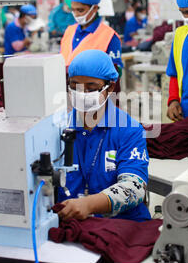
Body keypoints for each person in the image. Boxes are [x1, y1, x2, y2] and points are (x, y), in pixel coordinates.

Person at [57, 49, 150, 222]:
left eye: (91, 87)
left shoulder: (129, 130)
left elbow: (134, 188)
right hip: (70, 224)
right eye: (75, 85)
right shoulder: (58, 127)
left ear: (110, 87)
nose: (82, 93)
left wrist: (89, 204)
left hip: (121, 225)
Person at [60, 0, 123, 72]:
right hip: (64, 83)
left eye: (80, 10)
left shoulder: (109, 36)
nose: (76, 14)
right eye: (73, 10)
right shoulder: (69, 31)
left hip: (90, 84)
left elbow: (116, 71)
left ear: (94, 8)